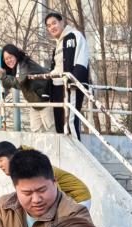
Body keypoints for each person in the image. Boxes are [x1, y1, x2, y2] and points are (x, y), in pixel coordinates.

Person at [0, 141, 90, 207]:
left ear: (11, 156)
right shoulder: (20, 167)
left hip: (78, 198)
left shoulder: (32, 164)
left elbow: (54, 190)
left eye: (0, 160)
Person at [45, 11, 90, 139]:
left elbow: (82, 59)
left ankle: (76, 150)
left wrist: (74, 82)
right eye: (49, 26)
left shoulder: (74, 36)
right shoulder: (57, 44)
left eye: (54, 23)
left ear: (62, 22)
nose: (52, 27)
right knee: (60, 124)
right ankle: (65, 150)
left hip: (70, 87)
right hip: (57, 88)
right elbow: (56, 68)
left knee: (70, 122)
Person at [0, 45, 54, 133]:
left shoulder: (24, 63)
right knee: (36, 131)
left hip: (46, 100)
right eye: (6, 59)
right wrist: (3, 77)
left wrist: (4, 77)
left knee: (52, 130)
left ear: (16, 55)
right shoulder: (16, 68)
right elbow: (11, 84)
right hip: (35, 102)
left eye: (10, 57)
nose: (8, 60)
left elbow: (20, 82)